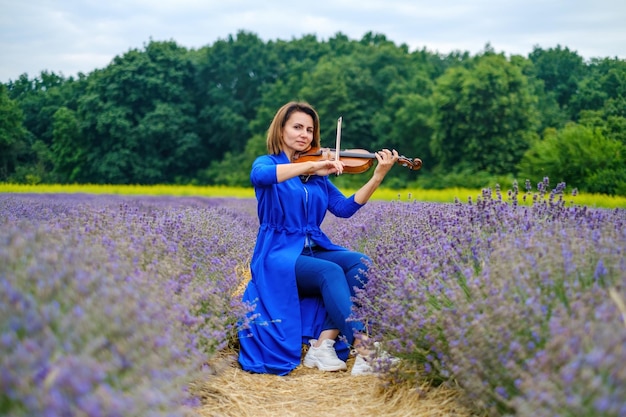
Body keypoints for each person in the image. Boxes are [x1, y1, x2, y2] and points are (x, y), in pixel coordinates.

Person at [237, 101, 399, 376]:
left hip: (313, 247)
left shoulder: (318, 176)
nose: (305, 135)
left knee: (361, 263)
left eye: (310, 130)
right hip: (278, 252)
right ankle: (366, 350)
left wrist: (377, 177)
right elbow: (260, 176)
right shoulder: (268, 163)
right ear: (281, 130)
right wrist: (310, 166)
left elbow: (344, 209)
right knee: (329, 271)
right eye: (297, 127)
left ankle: (322, 345)